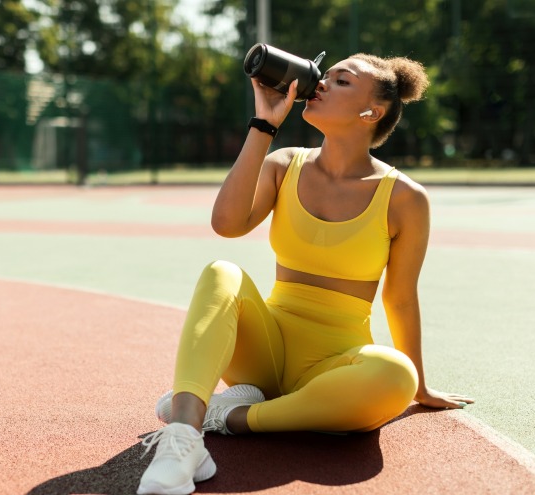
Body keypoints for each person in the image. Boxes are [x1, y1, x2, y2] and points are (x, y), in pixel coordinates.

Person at [136, 52, 474, 495]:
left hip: (332, 367)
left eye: (341, 81)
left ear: (371, 112)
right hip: (262, 355)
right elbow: (227, 224)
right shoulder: (285, 163)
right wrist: (263, 124)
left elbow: (400, 297)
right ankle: (182, 437)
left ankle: (229, 417)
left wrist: (421, 387)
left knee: (396, 373)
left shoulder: (405, 197)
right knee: (222, 272)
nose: (321, 83)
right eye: (326, 74)